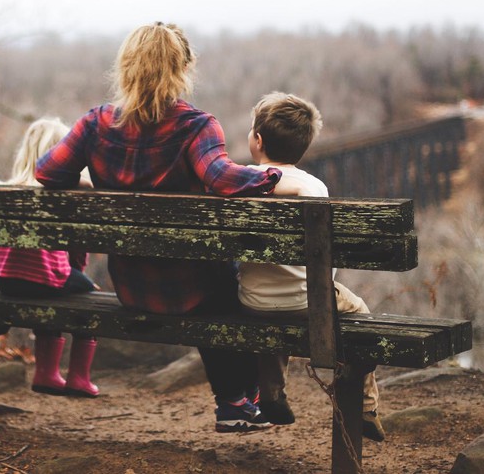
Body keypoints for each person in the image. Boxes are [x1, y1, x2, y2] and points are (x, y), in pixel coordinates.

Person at [35, 22, 287, 432]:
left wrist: (86, 182)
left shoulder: (95, 124)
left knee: (217, 281)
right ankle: (237, 401)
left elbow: (46, 172)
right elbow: (222, 178)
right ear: (182, 68)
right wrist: (273, 177)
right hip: (194, 291)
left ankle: (239, 402)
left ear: (126, 67)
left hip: (132, 288)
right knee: (228, 283)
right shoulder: (196, 126)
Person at [237, 91, 386, 441]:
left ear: (257, 140)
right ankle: (365, 406)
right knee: (359, 312)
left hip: (252, 302)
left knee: (273, 304)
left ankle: (271, 393)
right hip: (309, 302)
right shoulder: (314, 187)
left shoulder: (240, 182)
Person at [0, 117, 101, 398]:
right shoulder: (61, 194)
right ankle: (78, 378)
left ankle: (46, 373)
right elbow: (76, 249)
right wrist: (80, 276)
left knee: (51, 288)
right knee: (89, 296)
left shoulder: (8, 191)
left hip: (7, 281)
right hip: (45, 279)